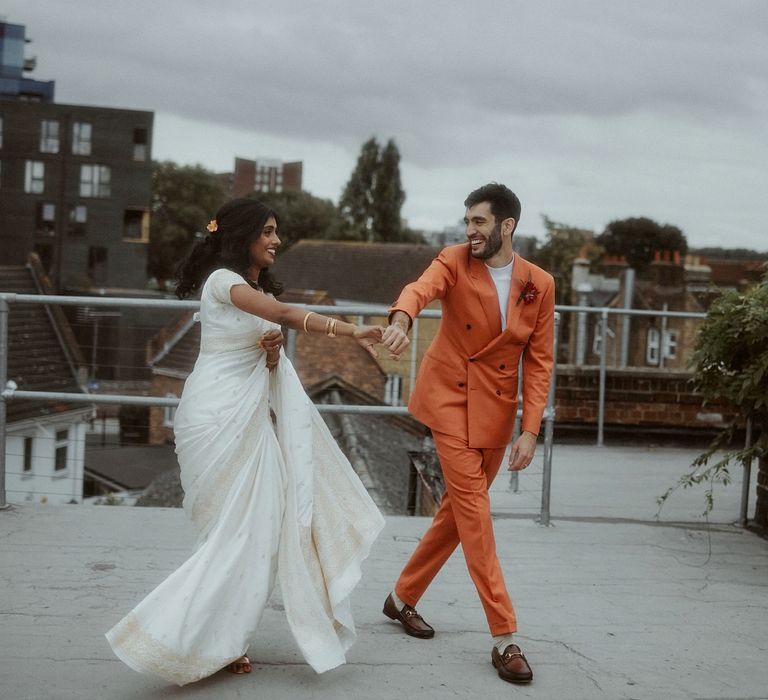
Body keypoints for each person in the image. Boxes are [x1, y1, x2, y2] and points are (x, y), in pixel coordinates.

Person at [106, 198, 385, 686]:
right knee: (229, 531)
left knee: (257, 529)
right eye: (269, 231)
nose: (277, 240)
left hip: (250, 416)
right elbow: (280, 311)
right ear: (243, 236)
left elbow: (265, 350)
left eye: (278, 231)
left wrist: (272, 354)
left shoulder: (249, 287)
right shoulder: (221, 281)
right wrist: (352, 330)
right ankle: (173, 633)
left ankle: (229, 638)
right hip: (215, 416)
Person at [379, 183, 554, 685]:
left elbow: (539, 363)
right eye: (467, 221)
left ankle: (400, 598)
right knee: (476, 517)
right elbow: (420, 288)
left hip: (497, 414)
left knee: (456, 514)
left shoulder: (539, 283)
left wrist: (530, 429)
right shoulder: (454, 260)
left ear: (507, 226)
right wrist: (402, 316)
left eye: (479, 221)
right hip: (450, 400)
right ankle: (504, 637)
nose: (469, 230)